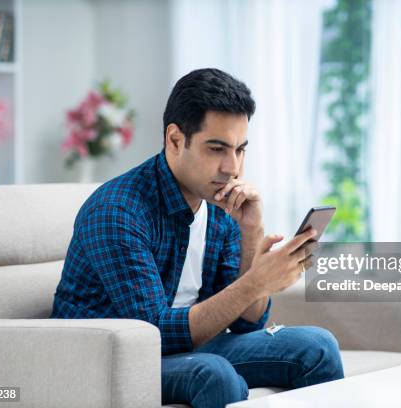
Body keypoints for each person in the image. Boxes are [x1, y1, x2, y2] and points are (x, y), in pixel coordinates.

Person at [51, 68, 344, 407]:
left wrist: (252, 232)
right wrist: (256, 282)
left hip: (189, 349)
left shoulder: (221, 204)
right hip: (112, 359)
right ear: (175, 140)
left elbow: (247, 321)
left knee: (317, 347)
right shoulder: (117, 210)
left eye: (240, 150)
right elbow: (154, 333)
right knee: (214, 373)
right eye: (217, 148)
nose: (232, 167)